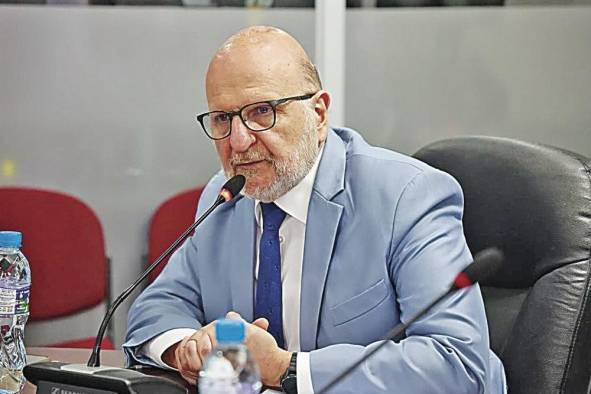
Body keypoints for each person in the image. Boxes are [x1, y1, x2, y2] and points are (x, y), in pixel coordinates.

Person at [124, 26, 506, 393]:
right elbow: (156, 308)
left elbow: (458, 364)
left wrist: (283, 368)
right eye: (223, 119)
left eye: (262, 112)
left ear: (319, 115)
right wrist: (187, 348)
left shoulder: (407, 197)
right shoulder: (224, 197)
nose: (238, 142)